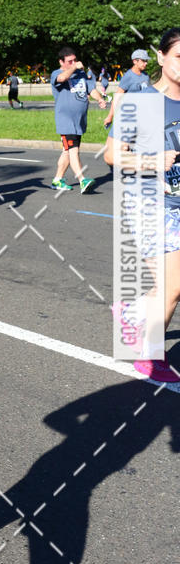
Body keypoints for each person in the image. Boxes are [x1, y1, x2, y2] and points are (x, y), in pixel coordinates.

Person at [104, 28, 180, 382]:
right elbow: (111, 155)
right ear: (162, 57)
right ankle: (150, 356)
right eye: (178, 56)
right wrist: (153, 161)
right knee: (172, 286)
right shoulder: (144, 101)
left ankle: (132, 311)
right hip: (148, 202)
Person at [50, 46, 107, 192]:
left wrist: (99, 99)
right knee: (73, 150)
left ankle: (57, 180)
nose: (74, 63)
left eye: (75, 60)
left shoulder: (81, 74)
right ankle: (82, 180)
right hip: (66, 121)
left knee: (67, 151)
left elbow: (91, 89)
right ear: (61, 62)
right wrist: (74, 67)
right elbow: (62, 78)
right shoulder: (57, 73)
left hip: (79, 121)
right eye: (70, 61)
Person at [103, 49, 151, 129]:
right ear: (135, 61)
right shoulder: (128, 76)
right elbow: (117, 97)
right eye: (143, 61)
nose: (146, 63)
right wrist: (110, 116)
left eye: (146, 61)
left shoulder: (146, 76)